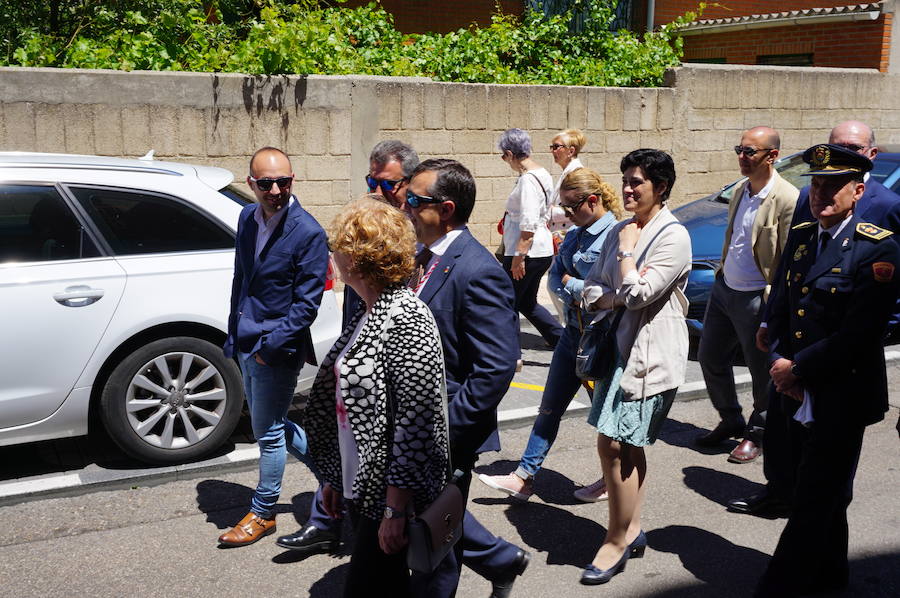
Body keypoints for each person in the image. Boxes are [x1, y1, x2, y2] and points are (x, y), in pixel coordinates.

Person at [729, 119, 900, 516]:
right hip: (795, 349)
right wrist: (776, 346)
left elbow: (878, 299)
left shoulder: (887, 209)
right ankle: (779, 493)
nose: (822, 190)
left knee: (828, 478)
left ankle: (816, 517)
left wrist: (801, 366)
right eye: (837, 145)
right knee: (783, 439)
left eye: (853, 148)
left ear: (869, 156)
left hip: (838, 363)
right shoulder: (811, 199)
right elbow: (790, 274)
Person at [752, 144, 899, 597]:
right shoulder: (803, 235)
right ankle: (831, 578)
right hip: (795, 386)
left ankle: (780, 587)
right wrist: (779, 360)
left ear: (858, 192)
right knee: (819, 492)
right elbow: (782, 307)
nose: (821, 194)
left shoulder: (879, 248)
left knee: (814, 497)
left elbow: (861, 333)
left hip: (841, 393)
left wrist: (796, 368)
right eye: (816, 184)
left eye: (834, 185)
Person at [302, 198, 452, 597]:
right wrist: (337, 478)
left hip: (386, 494)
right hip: (362, 486)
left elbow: (414, 425)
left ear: (356, 258)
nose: (332, 255)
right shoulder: (368, 311)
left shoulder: (408, 318)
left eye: (338, 247)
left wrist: (395, 509)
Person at [404, 159, 529, 598]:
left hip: (446, 434)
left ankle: (495, 563)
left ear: (447, 209)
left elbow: (495, 368)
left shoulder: (478, 270)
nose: (405, 206)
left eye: (415, 199)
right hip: (413, 431)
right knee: (428, 525)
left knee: (435, 546)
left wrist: (445, 431)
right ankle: (500, 561)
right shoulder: (422, 257)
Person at [580, 149, 691, 585]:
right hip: (616, 349)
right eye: (625, 179)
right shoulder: (620, 228)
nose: (626, 188)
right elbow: (592, 289)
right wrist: (617, 294)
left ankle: (615, 541)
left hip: (649, 356)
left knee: (617, 445)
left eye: (636, 182)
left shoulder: (673, 236)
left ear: (660, 187)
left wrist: (627, 255)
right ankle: (632, 529)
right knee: (622, 446)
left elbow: (641, 294)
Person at [478, 167, 623, 503]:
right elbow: (555, 280)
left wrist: (576, 286)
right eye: (563, 207)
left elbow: (612, 292)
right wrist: (580, 288)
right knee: (549, 407)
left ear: (592, 200)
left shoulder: (616, 235)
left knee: (607, 418)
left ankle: (612, 483)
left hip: (602, 340)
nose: (565, 215)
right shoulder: (575, 234)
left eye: (571, 207)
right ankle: (523, 477)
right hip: (573, 334)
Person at [218, 147, 330, 547]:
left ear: (292, 180)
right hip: (246, 341)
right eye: (266, 183)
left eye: (283, 182)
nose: (276, 190)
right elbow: (241, 279)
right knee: (273, 425)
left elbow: (306, 306)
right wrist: (235, 334)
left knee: (267, 432)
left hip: (276, 350)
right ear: (252, 184)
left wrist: (269, 348)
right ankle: (337, 480)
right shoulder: (247, 217)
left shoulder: (308, 232)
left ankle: (264, 512)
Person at [695, 127, 798, 464]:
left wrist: (774, 309)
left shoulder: (787, 199)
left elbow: (787, 259)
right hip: (724, 289)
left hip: (756, 297)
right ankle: (730, 419)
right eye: (739, 150)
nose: (742, 157)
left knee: (760, 372)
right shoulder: (741, 189)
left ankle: (758, 432)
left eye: (750, 151)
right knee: (710, 358)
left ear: (772, 156)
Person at [498, 128, 564, 348]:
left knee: (507, 303)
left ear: (509, 154)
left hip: (527, 252)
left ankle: (509, 352)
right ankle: (562, 342)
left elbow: (528, 222)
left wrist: (518, 258)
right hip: (540, 250)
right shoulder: (542, 173)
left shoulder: (527, 180)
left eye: (503, 156)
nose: (504, 160)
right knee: (527, 302)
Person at [547, 129, 588, 324]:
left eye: (557, 147)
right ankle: (568, 326)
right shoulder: (566, 172)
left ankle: (570, 326)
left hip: (570, 236)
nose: (553, 151)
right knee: (555, 283)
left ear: (571, 151)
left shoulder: (575, 174)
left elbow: (576, 209)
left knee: (558, 283)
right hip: (561, 236)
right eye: (552, 147)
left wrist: (546, 212)